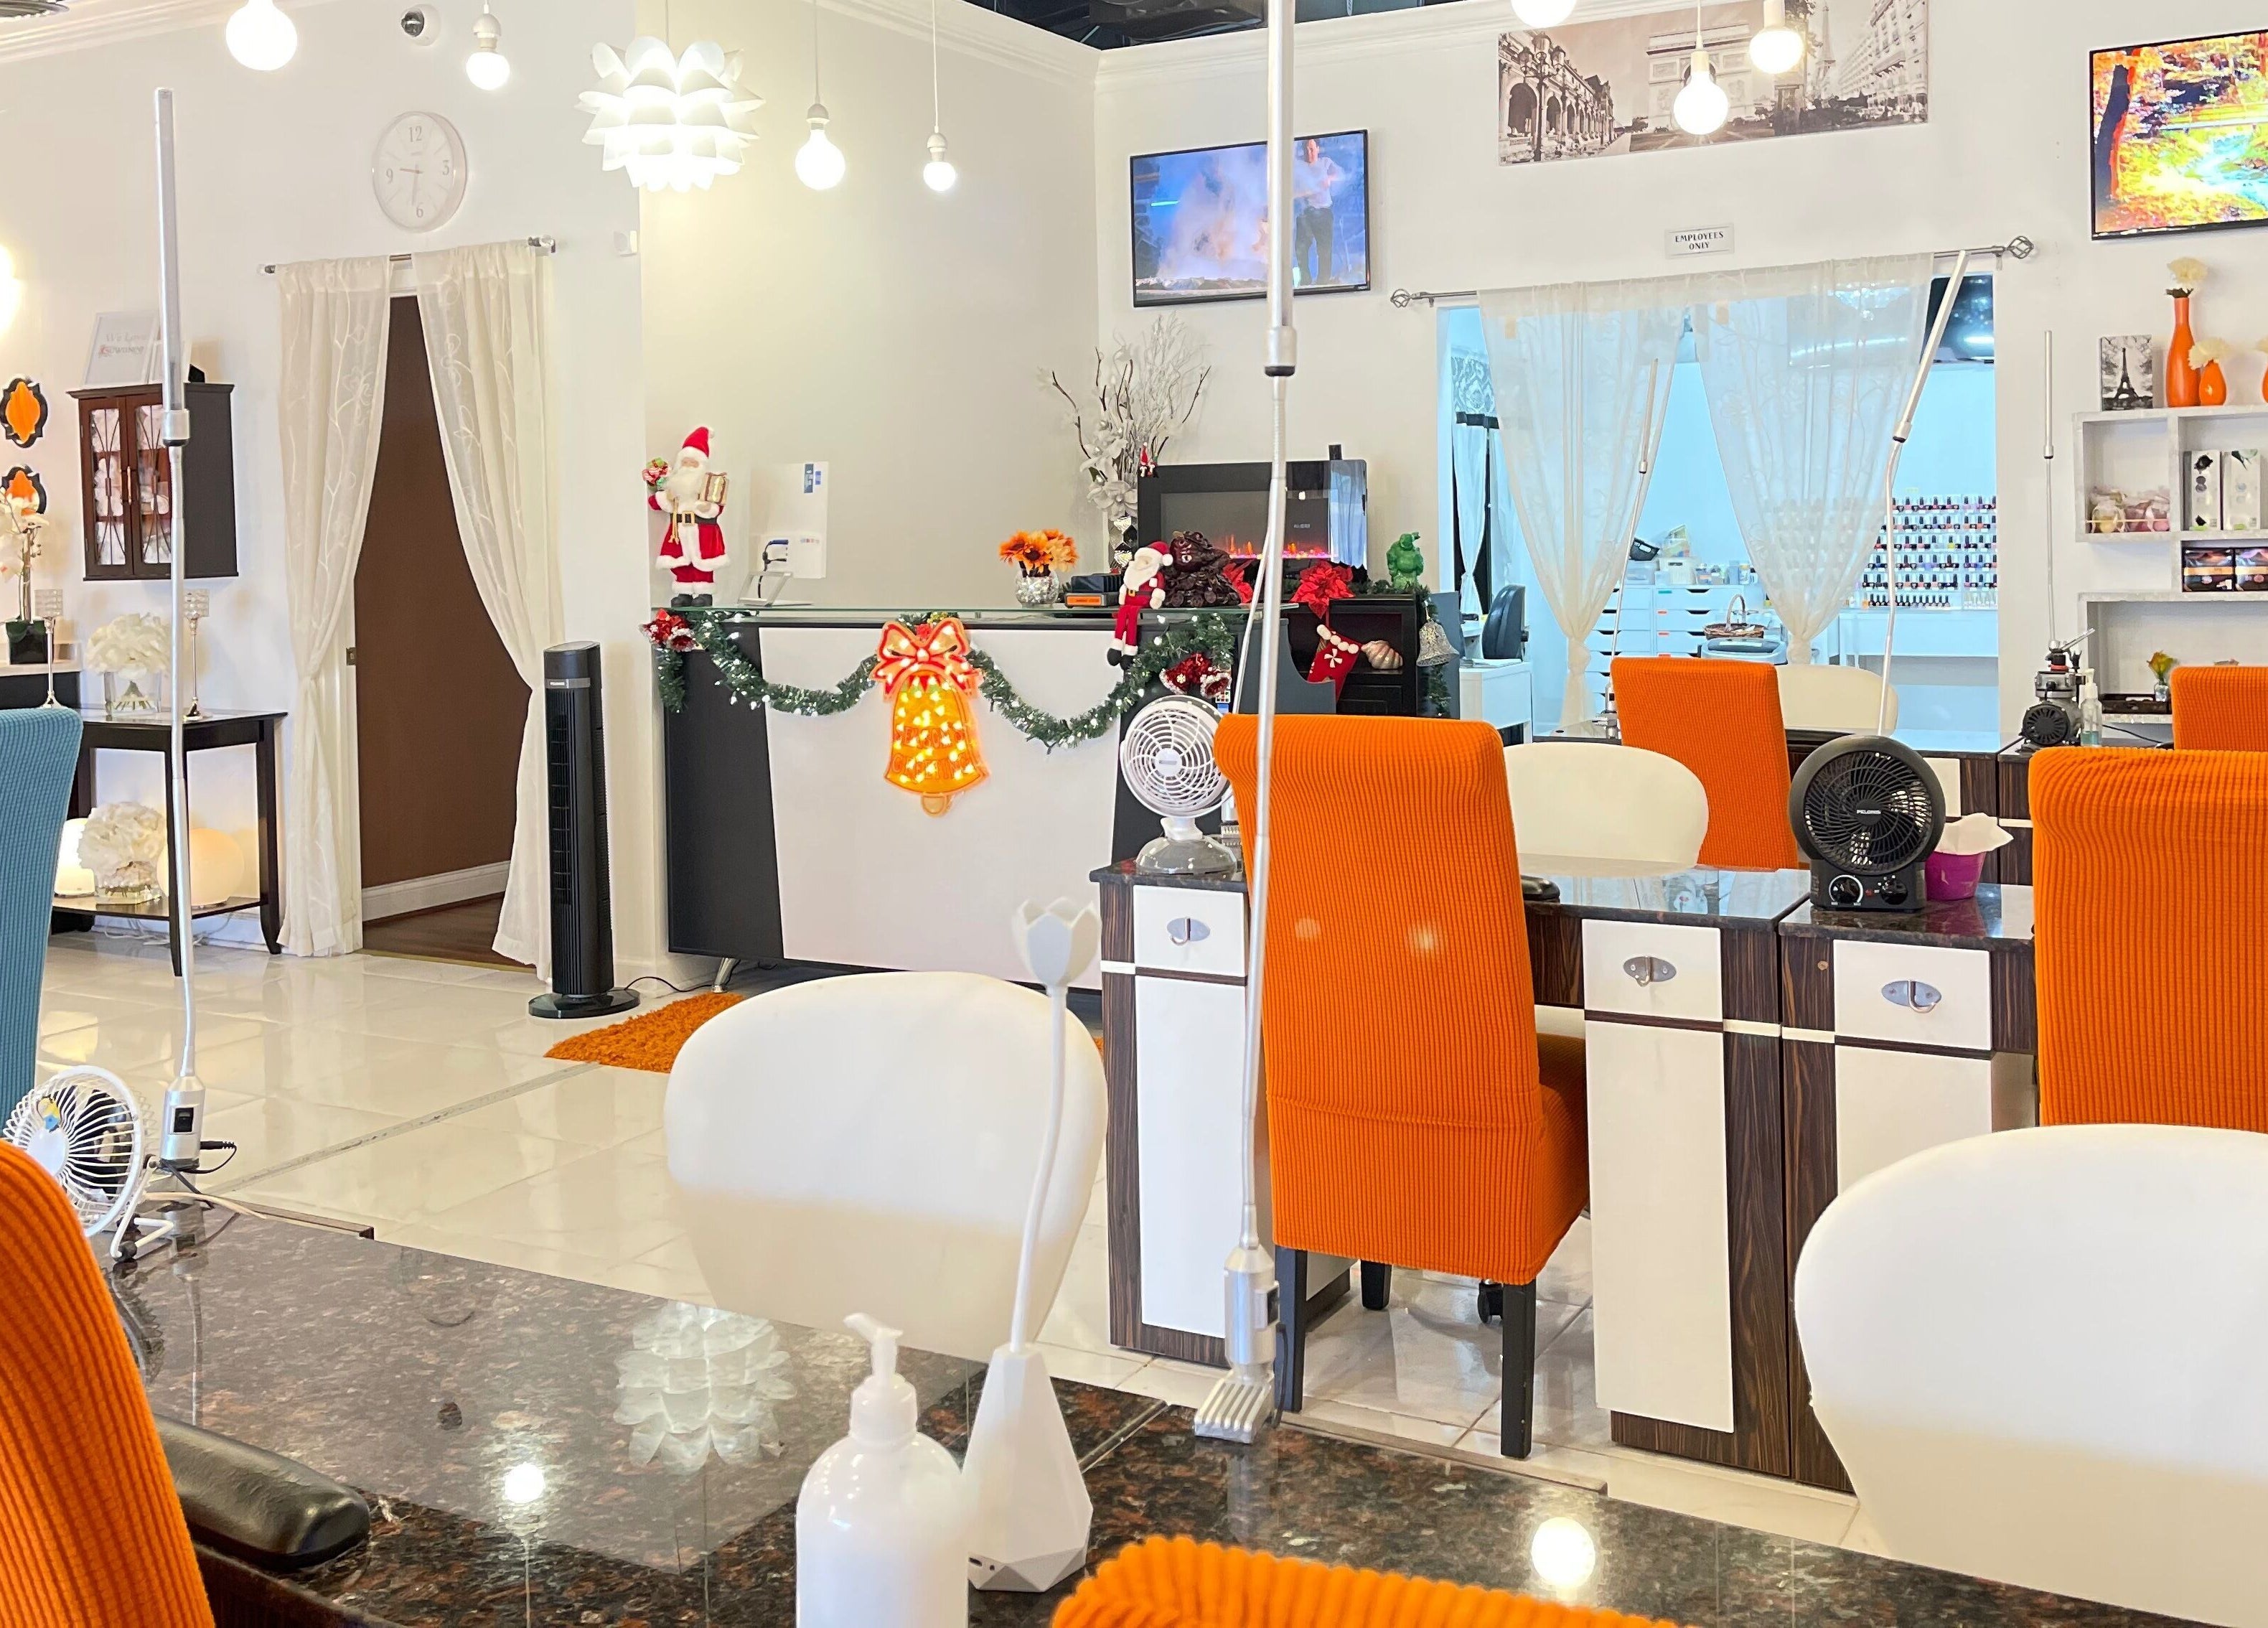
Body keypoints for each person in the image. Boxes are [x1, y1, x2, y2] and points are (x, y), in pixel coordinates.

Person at [1291, 138, 1346, 287]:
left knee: (1324, 248)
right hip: (1305, 213)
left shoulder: (1325, 163)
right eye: (1307, 149)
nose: (1309, 152)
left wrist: (1330, 178)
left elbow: (1342, 175)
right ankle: (1305, 281)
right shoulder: (1298, 167)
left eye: (1312, 149)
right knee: (1301, 248)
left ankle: (1323, 282)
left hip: (1323, 211)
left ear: (1318, 149)